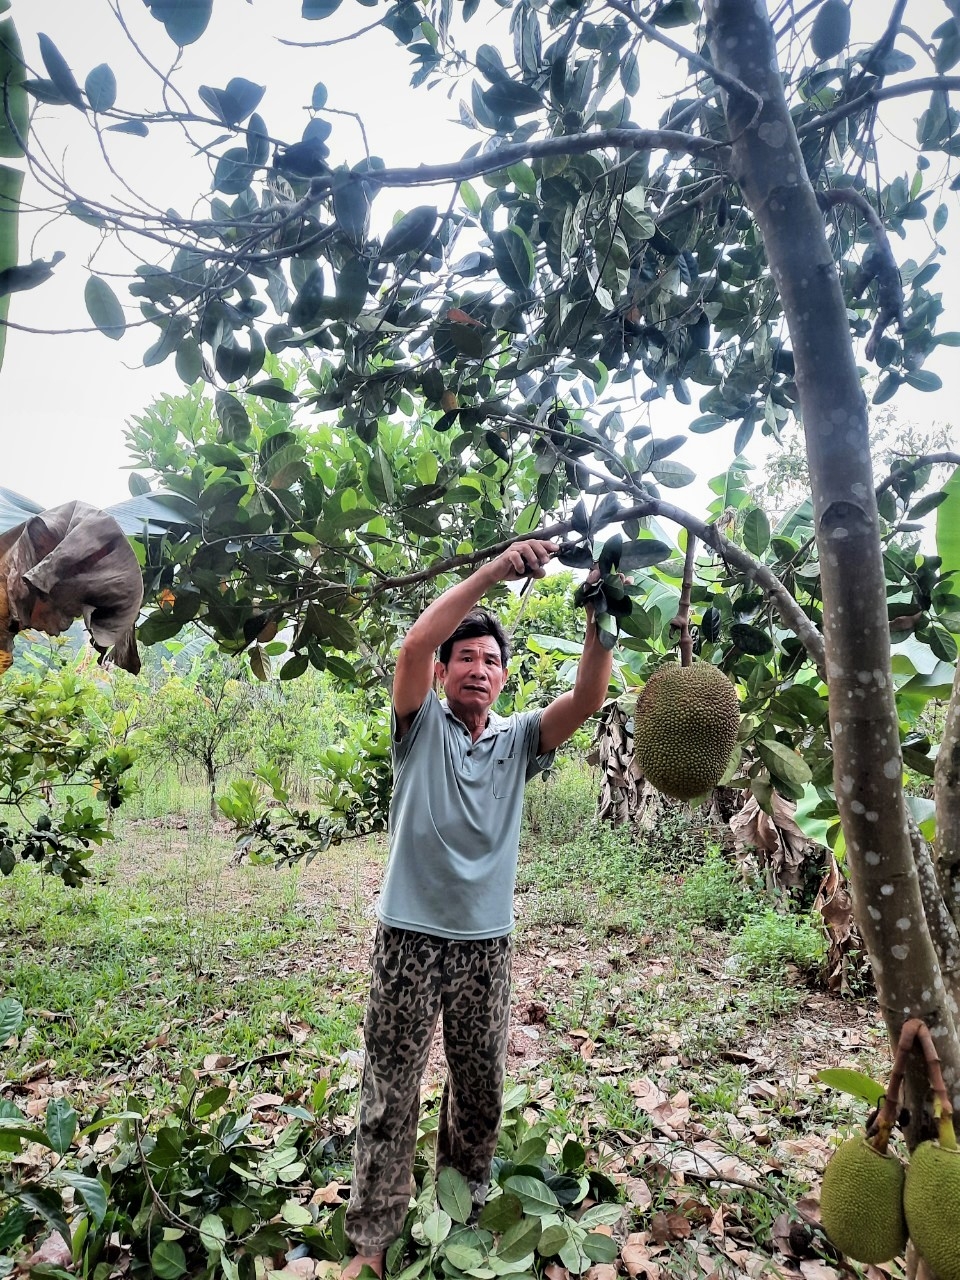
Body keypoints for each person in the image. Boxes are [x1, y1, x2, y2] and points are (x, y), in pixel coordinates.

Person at [342, 537, 616, 1277]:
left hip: (484, 947)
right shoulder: (419, 725)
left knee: (480, 1094)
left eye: (491, 661)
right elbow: (411, 642)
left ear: (502, 677)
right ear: (443, 671)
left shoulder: (520, 739)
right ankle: (371, 1240)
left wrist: (601, 608)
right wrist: (496, 570)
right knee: (389, 1088)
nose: (479, 669)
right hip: (406, 938)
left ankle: (456, 1216)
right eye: (465, 658)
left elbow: (588, 699)